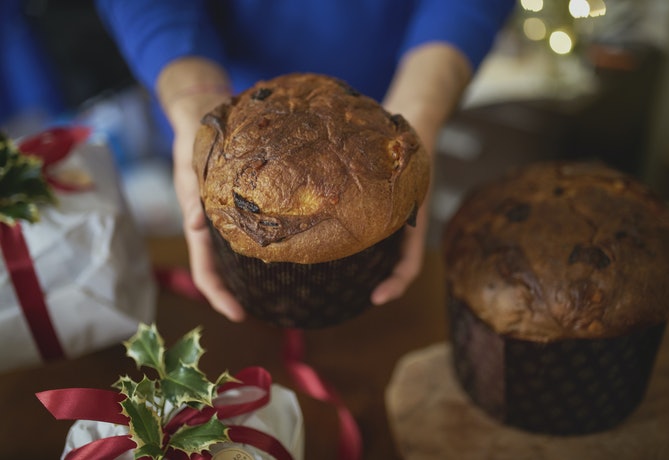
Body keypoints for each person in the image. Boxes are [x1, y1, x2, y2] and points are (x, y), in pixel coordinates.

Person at [95, 0, 516, 322]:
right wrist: (195, 102)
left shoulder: (400, 149)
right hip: (220, 116)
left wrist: (420, 111)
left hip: (394, 107)